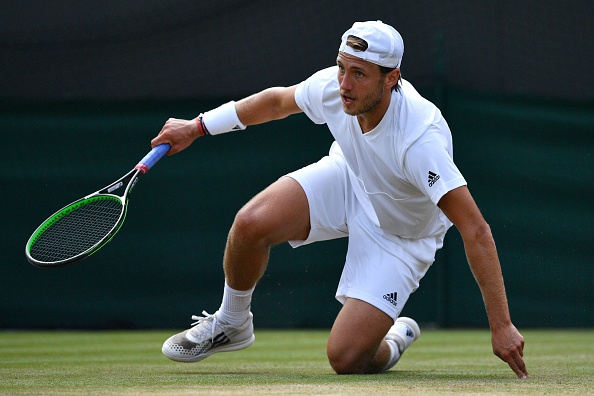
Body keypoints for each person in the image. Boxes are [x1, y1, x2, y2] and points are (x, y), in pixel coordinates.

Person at [151, 20, 529, 378]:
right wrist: (197, 127)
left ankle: (395, 339)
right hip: (349, 177)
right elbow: (276, 103)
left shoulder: (419, 140)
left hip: (402, 236)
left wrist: (502, 325)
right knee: (250, 223)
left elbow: (475, 229)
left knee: (347, 359)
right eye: (341, 68)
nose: (345, 84)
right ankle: (232, 323)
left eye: (359, 74)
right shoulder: (336, 87)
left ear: (391, 78)